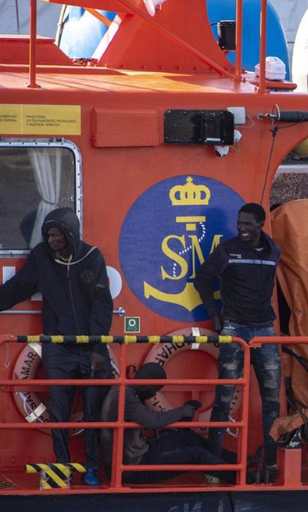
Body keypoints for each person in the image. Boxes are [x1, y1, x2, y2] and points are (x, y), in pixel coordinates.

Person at [0, 208, 113, 486]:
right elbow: (17, 288)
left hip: (90, 348)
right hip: (58, 347)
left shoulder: (92, 257)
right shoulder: (41, 258)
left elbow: (103, 305)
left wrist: (98, 347)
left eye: (56, 235)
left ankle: (92, 468)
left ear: (70, 234)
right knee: (59, 412)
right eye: (48, 235)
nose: (51, 240)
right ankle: (62, 467)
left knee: (92, 412)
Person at [195, 203, 282, 480]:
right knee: (223, 399)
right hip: (233, 328)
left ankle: (271, 462)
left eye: (247, 224)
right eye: (239, 223)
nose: (242, 228)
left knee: (271, 401)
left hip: (265, 330)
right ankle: (214, 467)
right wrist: (215, 315)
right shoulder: (226, 250)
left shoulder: (274, 251)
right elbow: (203, 279)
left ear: (261, 225)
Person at [100, 363, 236, 484]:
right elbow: (153, 420)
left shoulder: (124, 390)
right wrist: (182, 411)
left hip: (141, 452)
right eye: (155, 389)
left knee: (186, 436)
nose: (153, 395)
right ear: (147, 384)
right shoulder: (125, 397)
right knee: (196, 454)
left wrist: (184, 412)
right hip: (132, 468)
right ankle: (241, 478)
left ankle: (236, 460)